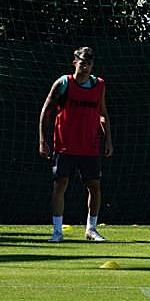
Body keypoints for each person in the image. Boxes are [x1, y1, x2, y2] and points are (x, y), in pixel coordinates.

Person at [38, 46, 113, 242]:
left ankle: (91, 229)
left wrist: (108, 140)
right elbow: (46, 111)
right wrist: (42, 140)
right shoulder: (64, 83)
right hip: (65, 145)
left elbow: (103, 114)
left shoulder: (99, 85)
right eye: (82, 63)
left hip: (89, 146)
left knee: (94, 186)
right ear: (75, 63)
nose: (86, 67)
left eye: (89, 63)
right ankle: (57, 232)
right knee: (60, 185)